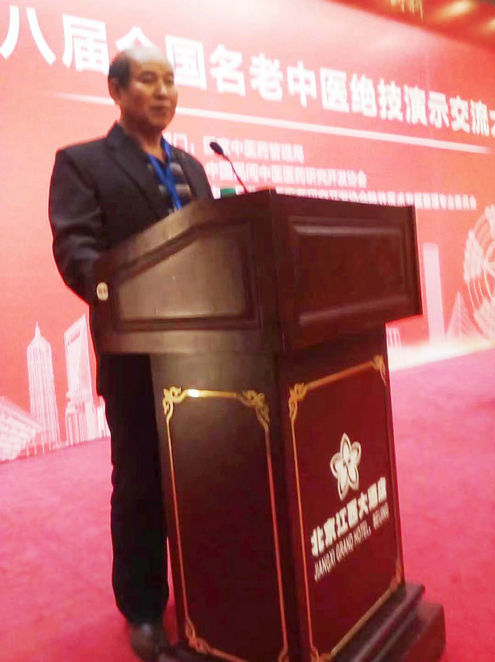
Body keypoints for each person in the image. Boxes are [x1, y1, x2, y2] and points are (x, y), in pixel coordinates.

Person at [48, 47, 213, 662]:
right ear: (116, 91)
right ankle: (143, 608)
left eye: (171, 80)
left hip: (211, 352)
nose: (164, 91)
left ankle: (211, 587)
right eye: (148, 80)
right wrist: (131, 293)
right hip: (135, 353)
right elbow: (76, 251)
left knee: (207, 474)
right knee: (141, 483)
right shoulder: (83, 163)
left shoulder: (194, 167)